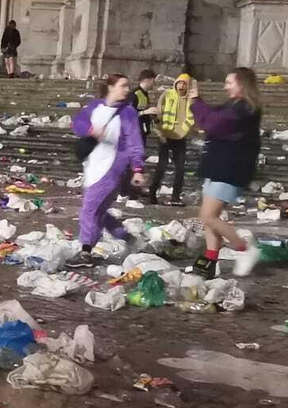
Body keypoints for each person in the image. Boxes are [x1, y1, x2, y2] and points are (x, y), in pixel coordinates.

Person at [188, 69, 264, 278]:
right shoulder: (234, 106)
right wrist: (197, 100)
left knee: (208, 216)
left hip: (229, 168)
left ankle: (245, 249)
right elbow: (211, 115)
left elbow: (212, 123)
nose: (225, 86)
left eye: (229, 82)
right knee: (209, 219)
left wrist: (196, 102)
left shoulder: (245, 109)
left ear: (242, 84)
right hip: (217, 166)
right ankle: (211, 261)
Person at [66, 74, 146, 270]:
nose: (127, 89)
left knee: (89, 209)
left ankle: (85, 250)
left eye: (128, 86)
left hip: (113, 167)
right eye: (123, 85)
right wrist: (91, 129)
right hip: (93, 164)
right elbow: (77, 123)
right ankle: (125, 236)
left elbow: (135, 142)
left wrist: (137, 168)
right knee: (99, 211)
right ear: (111, 87)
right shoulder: (95, 106)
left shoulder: (128, 113)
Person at [144, 73, 193, 205]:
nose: (181, 86)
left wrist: (182, 132)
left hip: (179, 138)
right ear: (176, 83)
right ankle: (152, 192)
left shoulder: (190, 100)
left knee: (180, 168)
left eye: (184, 84)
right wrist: (160, 133)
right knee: (162, 165)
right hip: (165, 136)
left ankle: (175, 196)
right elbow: (158, 114)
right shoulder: (167, 95)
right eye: (179, 83)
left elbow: (191, 118)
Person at [130, 70, 157, 136]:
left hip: (142, 131)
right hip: (134, 132)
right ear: (147, 80)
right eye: (153, 81)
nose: (154, 84)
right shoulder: (135, 94)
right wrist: (145, 112)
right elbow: (129, 114)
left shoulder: (145, 94)